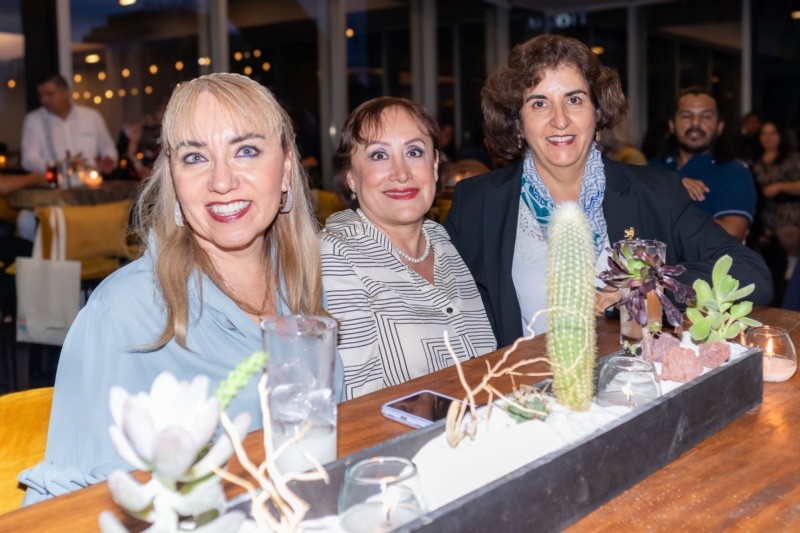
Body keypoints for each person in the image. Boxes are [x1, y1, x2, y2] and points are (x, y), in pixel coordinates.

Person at [19, 73, 339, 503]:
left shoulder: (306, 282)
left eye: (246, 151)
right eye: (195, 157)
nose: (221, 181)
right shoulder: (124, 313)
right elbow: (70, 507)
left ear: (284, 170)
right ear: (173, 178)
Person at [444, 35, 772, 348]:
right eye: (539, 103)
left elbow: (752, 274)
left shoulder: (656, 192)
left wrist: (646, 285)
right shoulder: (478, 202)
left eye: (574, 99)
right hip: (522, 383)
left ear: (598, 111)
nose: (560, 120)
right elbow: (445, 310)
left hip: (631, 380)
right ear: (517, 122)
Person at [319, 97, 496, 400]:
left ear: (435, 165)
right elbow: (358, 399)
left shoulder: (442, 241)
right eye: (379, 155)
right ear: (351, 177)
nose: (401, 173)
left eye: (414, 152)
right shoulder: (336, 255)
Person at [649, 86, 756, 242]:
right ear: (672, 125)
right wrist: (669, 188)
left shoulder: (734, 172)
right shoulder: (654, 168)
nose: (695, 123)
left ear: (720, 127)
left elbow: (730, 236)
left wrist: (674, 196)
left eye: (706, 117)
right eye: (686, 116)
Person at [18, 73, 118, 240]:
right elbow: (28, 159)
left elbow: (109, 149)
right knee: (25, 220)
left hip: (90, 192)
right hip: (52, 193)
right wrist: (63, 165)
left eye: (49, 94)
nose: (44, 100)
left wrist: (108, 160)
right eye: (41, 95)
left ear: (66, 92)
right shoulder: (34, 120)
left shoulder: (91, 116)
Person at [752, 120, 800, 284]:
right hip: (764, 207)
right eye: (764, 133)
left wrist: (780, 186)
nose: (768, 137)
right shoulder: (755, 162)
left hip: (790, 205)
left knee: (786, 222)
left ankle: (793, 259)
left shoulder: (792, 158)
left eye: (773, 133)